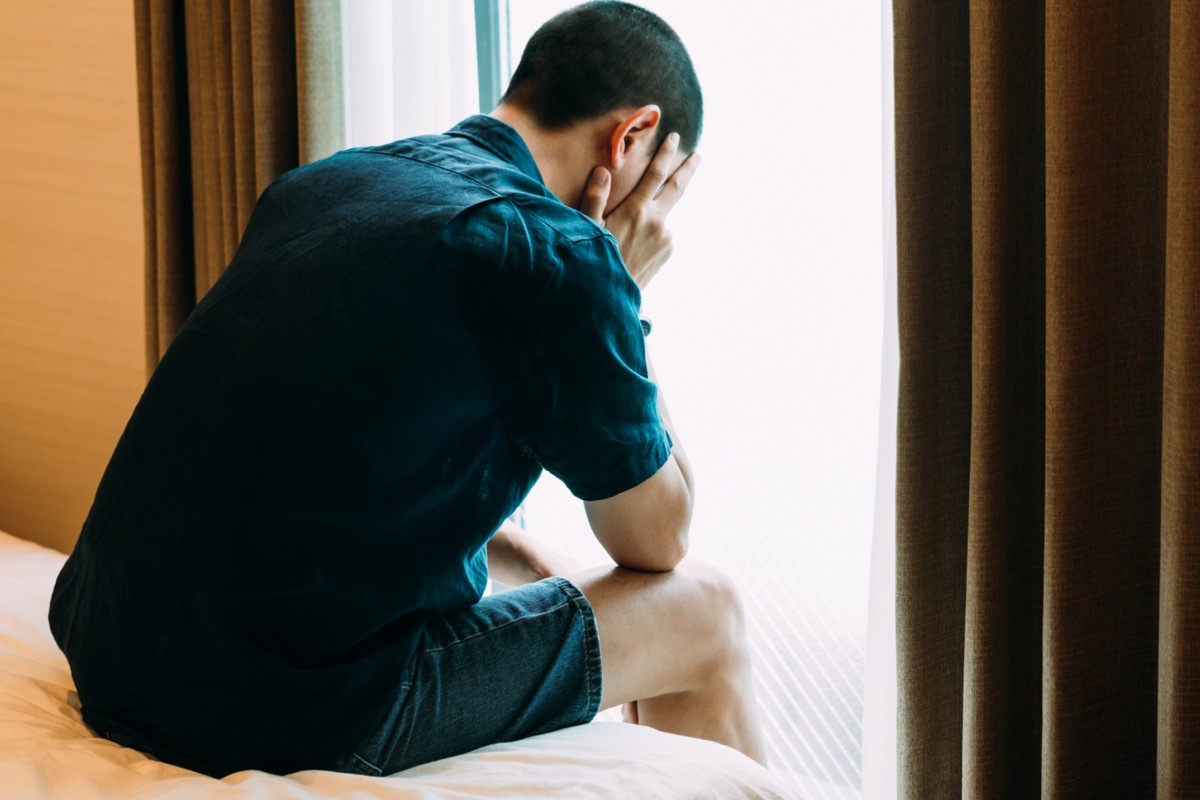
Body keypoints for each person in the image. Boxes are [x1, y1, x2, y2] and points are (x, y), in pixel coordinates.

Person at [49, 0, 764, 778]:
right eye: (664, 191)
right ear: (632, 138)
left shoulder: (329, 182)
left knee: (517, 548)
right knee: (706, 611)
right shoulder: (556, 256)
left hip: (109, 652)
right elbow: (658, 539)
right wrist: (619, 284)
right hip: (275, 708)